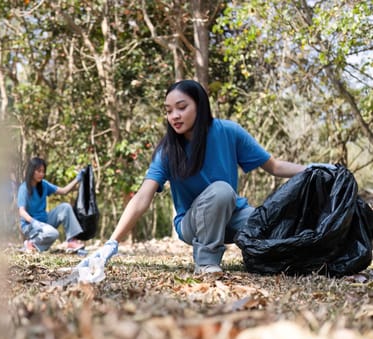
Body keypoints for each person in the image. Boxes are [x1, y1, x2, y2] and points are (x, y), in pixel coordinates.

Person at [79, 79, 307, 275]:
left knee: (272, 225)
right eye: (168, 111)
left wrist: (316, 168)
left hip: (233, 216)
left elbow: (274, 166)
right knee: (222, 190)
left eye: (181, 107)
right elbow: (142, 198)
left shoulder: (229, 131)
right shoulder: (167, 151)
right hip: (192, 224)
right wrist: (112, 242)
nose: (174, 116)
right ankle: (206, 262)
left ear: (200, 105)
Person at [18, 157, 86, 253]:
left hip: (44, 221)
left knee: (65, 207)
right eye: (39, 171)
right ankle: (31, 243)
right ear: (32, 171)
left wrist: (78, 179)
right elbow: (21, 211)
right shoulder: (24, 188)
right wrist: (33, 222)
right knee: (53, 233)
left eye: (43, 171)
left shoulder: (43, 185)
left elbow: (64, 191)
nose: (42, 174)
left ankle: (71, 241)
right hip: (30, 225)